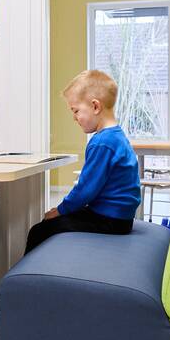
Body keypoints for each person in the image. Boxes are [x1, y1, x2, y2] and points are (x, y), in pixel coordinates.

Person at [25, 69, 141, 253]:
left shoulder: (102, 142)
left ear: (95, 106)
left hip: (109, 221)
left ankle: (26, 280)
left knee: (39, 231)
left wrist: (60, 210)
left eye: (76, 110)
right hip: (120, 218)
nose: (74, 118)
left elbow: (85, 190)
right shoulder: (116, 136)